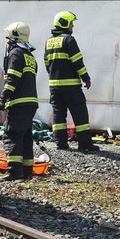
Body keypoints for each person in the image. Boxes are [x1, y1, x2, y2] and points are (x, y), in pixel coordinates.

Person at [44, 11, 96, 152]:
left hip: (54, 87)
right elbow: (77, 61)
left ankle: (61, 144)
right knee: (80, 115)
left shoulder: (49, 41)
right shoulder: (69, 40)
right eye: (71, 23)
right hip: (71, 87)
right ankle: (85, 145)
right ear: (64, 23)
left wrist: (54, 76)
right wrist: (86, 78)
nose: (73, 26)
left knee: (58, 115)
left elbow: (46, 63)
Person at [0, 22, 39, 181]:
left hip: (19, 102)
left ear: (15, 38)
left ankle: (14, 172)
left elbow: (13, 79)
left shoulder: (15, 53)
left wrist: (3, 98)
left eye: (9, 39)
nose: (7, 42)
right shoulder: (30, 55)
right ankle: (27, 171)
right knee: (25, 136)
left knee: (12, 134)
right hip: (30, 103)